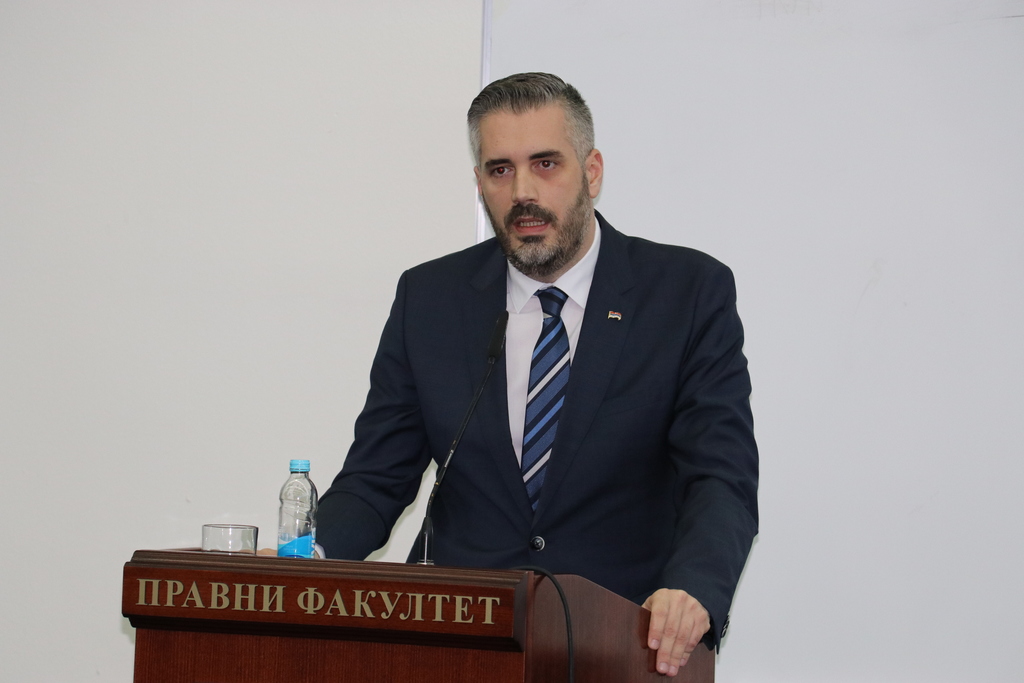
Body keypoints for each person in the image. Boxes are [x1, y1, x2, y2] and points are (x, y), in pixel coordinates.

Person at [318, 72, 758, 678]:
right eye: (500, 170)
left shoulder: (686, 293)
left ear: (592, 172)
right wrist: (304, 559)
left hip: (628, 642)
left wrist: (694, 588)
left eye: (545, 164)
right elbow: (375, 477)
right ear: (480, 184)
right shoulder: (431, 298)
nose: (523, 192)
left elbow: (720, 476)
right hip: (462, 645)